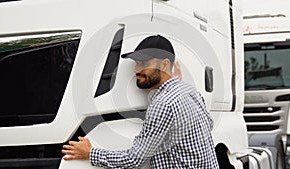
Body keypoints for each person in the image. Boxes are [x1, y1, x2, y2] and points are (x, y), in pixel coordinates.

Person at [62, 35, 220, 169]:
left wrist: (90, 153)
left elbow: (134, 159)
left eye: (144, 64)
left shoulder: (164, 103)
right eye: (136, 63)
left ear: (165, 64)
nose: (136, 70)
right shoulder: (188, 90)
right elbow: (209, 124)